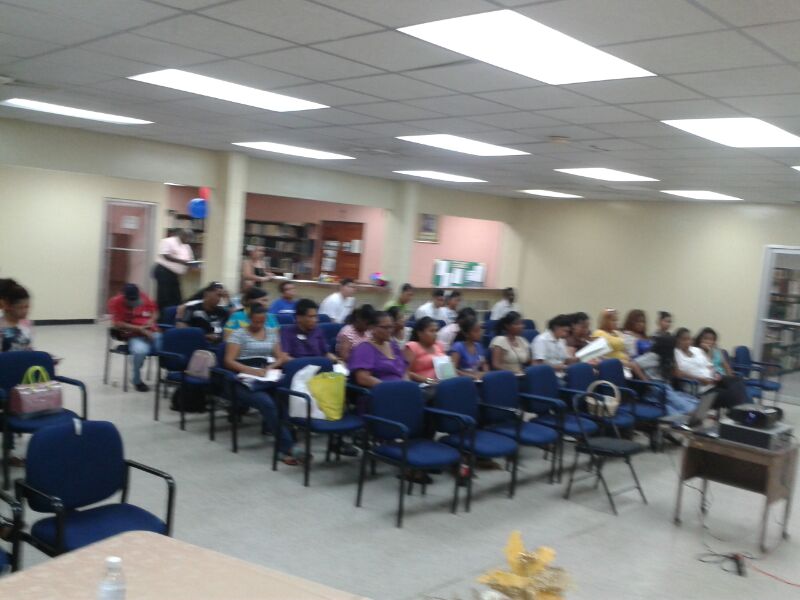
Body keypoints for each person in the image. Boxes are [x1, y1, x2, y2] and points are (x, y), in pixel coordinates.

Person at [223, 305, 303, 465]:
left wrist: (270, 367)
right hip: (243, 379)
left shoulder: (271, 333)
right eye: (255, 321)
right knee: (267, 403)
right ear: (249, 319)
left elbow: (280, 357)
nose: (259, 325)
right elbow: (228, 361)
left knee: (283, 398)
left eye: (262, 321)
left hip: (265, 376)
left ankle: (286, 444)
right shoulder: (239, 334)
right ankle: (287, 447)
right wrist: (251, 371)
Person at [108, 283, 161, 392]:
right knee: (140, 351)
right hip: (134, 334)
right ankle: (136, 379)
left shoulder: (143, 296)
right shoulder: (116, 302)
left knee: (167, 346)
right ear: (124, 296)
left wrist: (151, 321)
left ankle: (169, 378)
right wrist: (140, 329)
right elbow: (118, 324)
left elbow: (155, 312)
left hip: (151, 331)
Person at [632, 335, 699, 415]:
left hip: (665, 386)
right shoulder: (653, 355)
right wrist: (645, 379)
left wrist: (674, 359)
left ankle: (686, 414)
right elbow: (633, 364)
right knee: (684, 406)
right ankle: (690, 414)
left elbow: (678, 374)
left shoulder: (667, 357)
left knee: (691, 400)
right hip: (656, 387)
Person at [349, 311, 408, 388]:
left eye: (391, 327)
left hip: (401, 388)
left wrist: (407, 386)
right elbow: (363, 378)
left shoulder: (393, 345)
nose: (389, 331)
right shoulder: (364, 348)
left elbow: (405, 371)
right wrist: (391, 388)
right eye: (385, 328)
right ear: (372, 328)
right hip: (381, 390)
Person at [153, 228, 194, 313]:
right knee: (164, 297)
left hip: (175, 275)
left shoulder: (187, 246)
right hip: (164, 271)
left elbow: (190, 259)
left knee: (177, 298)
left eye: (190, 238)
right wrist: (182, 261)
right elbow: (165, 255)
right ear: (182, 235)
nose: (189, 240)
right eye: (188, 238)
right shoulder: (168, 241)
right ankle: (162, 316)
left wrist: (191, 264)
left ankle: (173, 315)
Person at [404, 317, 446, 384]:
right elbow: (406, 372)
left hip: (443, 382)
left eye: (436, 331)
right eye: (431, 331)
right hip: (423, 385)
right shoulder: (412, 346)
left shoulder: (439, 345)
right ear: (420, 333)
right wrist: (430, 381)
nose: (435, 334)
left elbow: (447, 368)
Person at [0, 282, 33, 352]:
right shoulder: (1, 327)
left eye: (27, 307)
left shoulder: (26, 323)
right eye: (21, 307)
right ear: (9, 307)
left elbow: (29, 347)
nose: (25, 311)